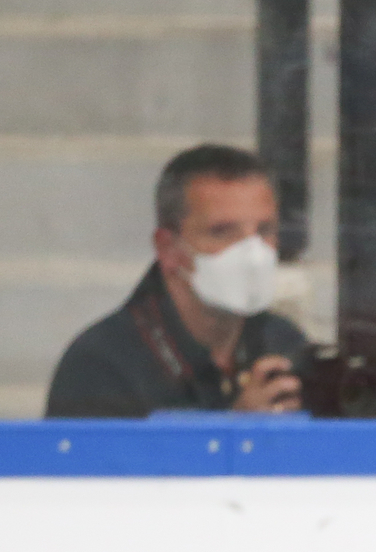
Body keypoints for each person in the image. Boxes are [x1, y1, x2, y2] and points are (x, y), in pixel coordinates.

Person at [45, 144, 306, 418]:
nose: (253, 255)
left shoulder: (284, 342)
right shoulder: (101, 366)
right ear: (168, 248)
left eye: (264, 231)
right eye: (222, 232)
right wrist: (237, 431)